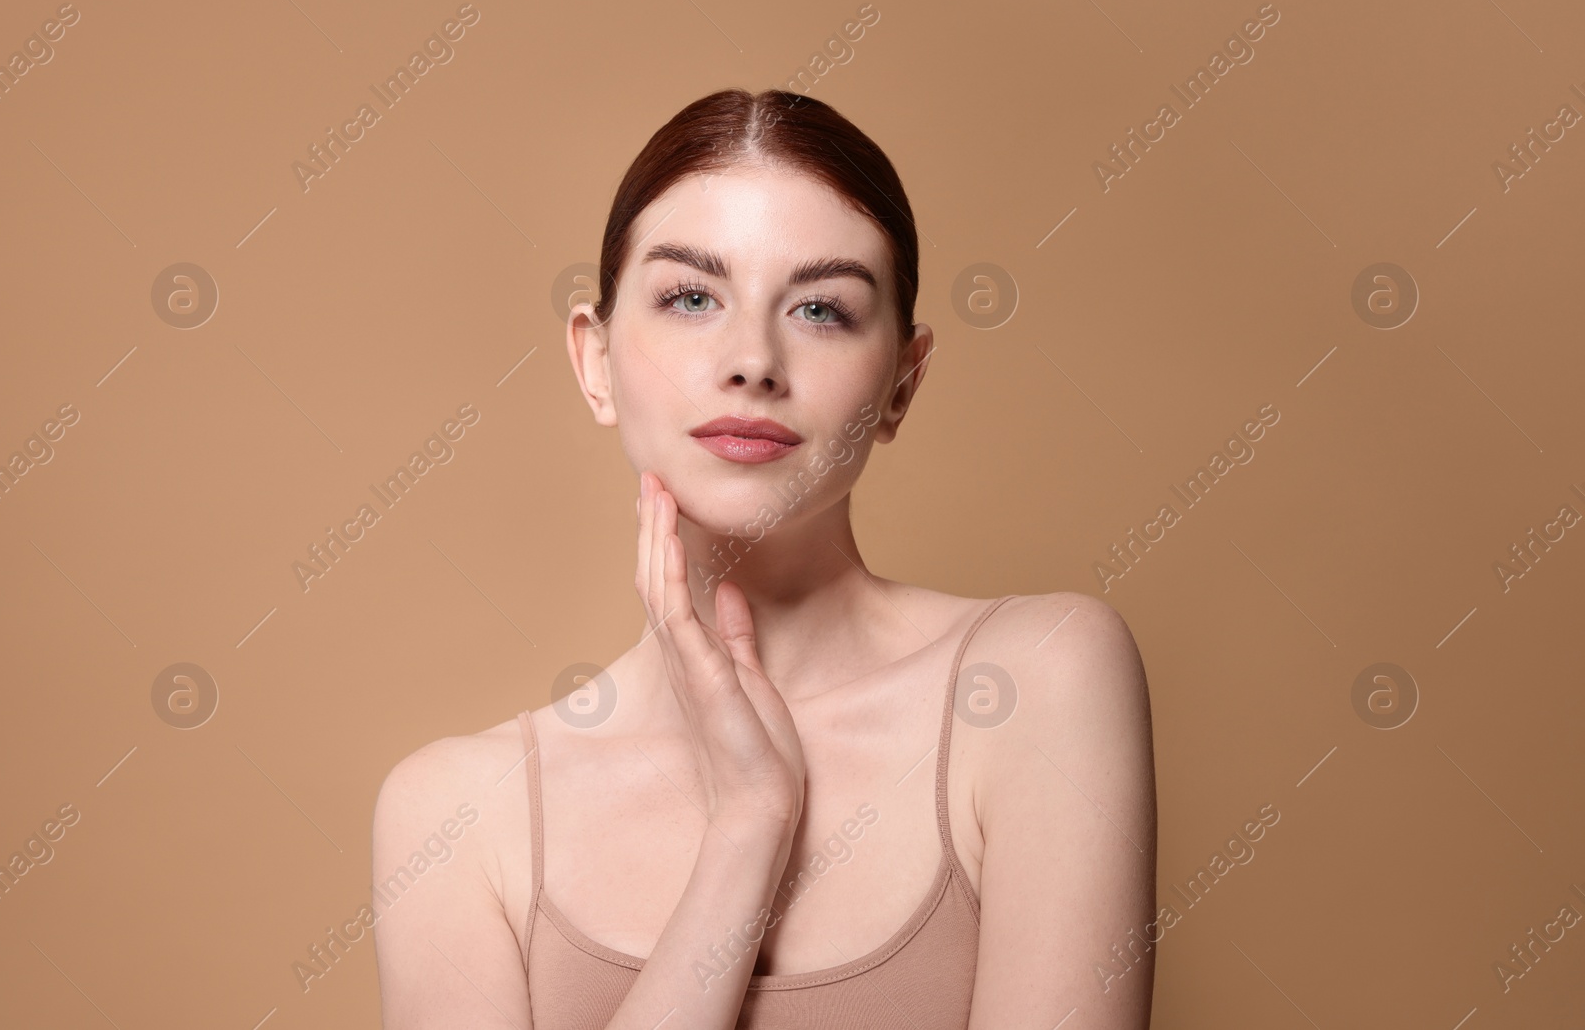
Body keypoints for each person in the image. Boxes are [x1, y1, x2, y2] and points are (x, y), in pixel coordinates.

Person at [372, 88, 1156, 1029]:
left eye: (822, 308)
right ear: (595, 360)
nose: (753, 358)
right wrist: (750, 825)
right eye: (691, 297)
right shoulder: (453, 814)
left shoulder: (1041, 678)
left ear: (903, 382)